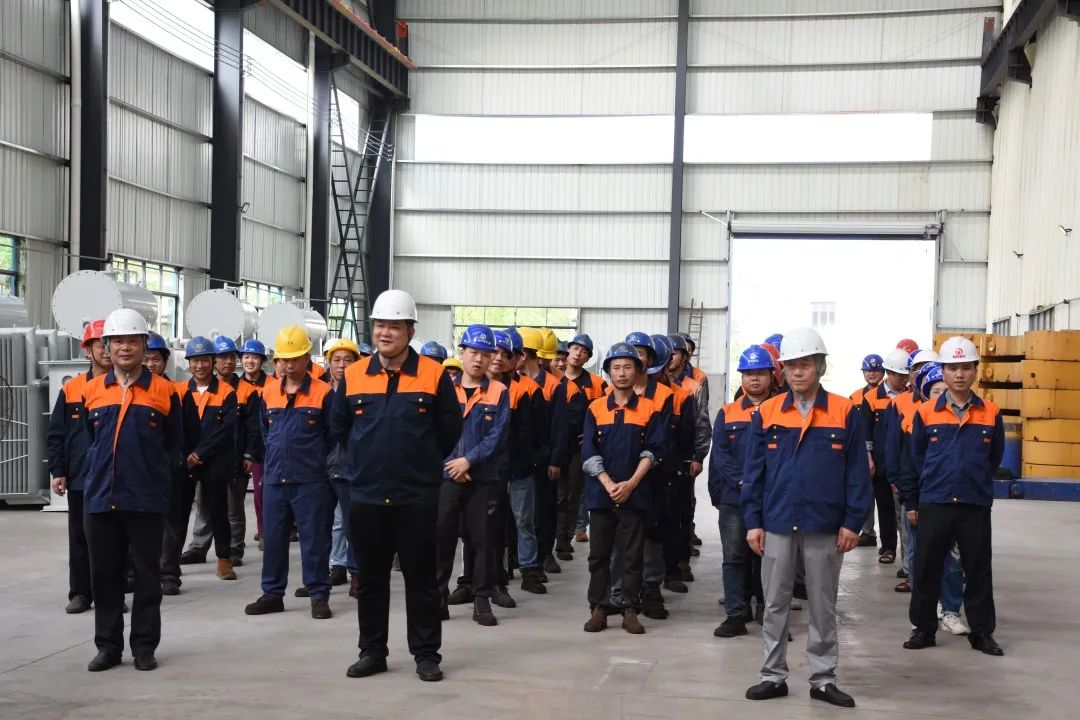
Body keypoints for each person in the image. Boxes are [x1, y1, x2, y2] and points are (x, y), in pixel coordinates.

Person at [330, 289, 462, 683]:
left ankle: (426, 655)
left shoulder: (433, 375)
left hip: (416, 496)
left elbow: (449, 429)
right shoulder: (354, 375)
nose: (385, 333)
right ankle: (372, 652)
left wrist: (420, 463)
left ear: (410, 331)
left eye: (394, 326)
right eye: (380, 325)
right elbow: (339, 427)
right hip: (367, 494)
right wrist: (366, 460)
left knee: (421, 579)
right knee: (371, 580)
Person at [741, 327, 871, 708]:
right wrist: (753, 521)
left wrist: (853, 522)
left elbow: (857, 474)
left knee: (822, 605)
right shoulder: (767, 412)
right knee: (774, 602)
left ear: (820, 367)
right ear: (782, 370)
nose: (798, 372)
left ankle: (823, 679)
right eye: (791, 365)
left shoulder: (845, 411)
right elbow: (754, 472)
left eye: (806, 364)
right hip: (777, 522)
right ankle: (772, 675)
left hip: (825, 524)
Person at [80, 308, 183, 672]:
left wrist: (155, 479)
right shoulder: (91, 391)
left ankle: (144, 646)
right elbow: (88, 443)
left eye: (132, 341)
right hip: (100, 498)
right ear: (107, 347)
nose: (125, 348)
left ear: (143, 345)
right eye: (118, 341)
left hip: (145, 499)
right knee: (104, 576)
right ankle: (108, 647)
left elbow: (175, 445)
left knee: (147, 576)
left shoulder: (165, 391)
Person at [900, 337, 1004, 657]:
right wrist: (913, 500)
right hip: (936, 501)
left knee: (978, 569)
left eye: (965, 368)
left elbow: (994, 458)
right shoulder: (925, 413)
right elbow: (914, 459)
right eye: (952, 368)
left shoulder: (991, 413)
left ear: (975, 371)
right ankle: (923, 628)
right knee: (927, 568)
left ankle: (982, 632)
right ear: (943, 372)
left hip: (973, 503)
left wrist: (974, 482)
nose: (959, 374)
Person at [244, 325, 335, 621]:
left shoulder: (323, 393)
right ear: (277, 361)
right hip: (275, 478)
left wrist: (314, 462)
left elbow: (333, 435)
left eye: (295, 358)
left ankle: (318, 595)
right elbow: (264, 431)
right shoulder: (268, 392)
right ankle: (272, 594)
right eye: (284, 359)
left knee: (314, 540)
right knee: (273, 539)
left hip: (310, 480)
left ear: (307, 357)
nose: (290, 364)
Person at [581, 343, 665, 635]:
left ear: (637, 371)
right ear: (608, 372)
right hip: (601, 495)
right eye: (616, 367)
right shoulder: (595, 408)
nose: (622, 373)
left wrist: (631, 484)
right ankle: (599, 608)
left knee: (632, 555)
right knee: (599, 555)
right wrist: (608, 483)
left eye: (628, 366)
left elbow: (654, 450)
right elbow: (589, 451)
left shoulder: (649, 409)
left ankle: (630, 608)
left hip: (635, 494)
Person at [436, 324, 511, 626]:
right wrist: (453, 464)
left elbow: (497, 436)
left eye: (484, 354)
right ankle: (438, 598)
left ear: (491, 357)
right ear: (462, 352)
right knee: (442, 538)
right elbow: (435, 431)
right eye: (473, 353)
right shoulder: (445, 389)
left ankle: (481, 600)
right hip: (447, 476)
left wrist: (468, 461)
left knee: (483, 540)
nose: (478, 359)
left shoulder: (499, 392)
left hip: (483, 478)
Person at [709, 345, 775, 639]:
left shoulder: (781, 410)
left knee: (769, 557)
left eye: (760, 373)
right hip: (735, 498)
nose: (754, 379)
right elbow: (721, 456)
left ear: (771, 376)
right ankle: (735, 614)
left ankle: (767, 613)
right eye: (748, 374)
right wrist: (743, 482)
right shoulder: (728, 412)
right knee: (734, 556)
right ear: (742, 378)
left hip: (771, 498)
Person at [48, 319, 112, 614]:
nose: (107, 350)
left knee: (114, 540)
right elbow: (57, 433)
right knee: (79, 537)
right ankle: (80, 593)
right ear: (88, 350)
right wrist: (58, 470)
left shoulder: (124, 387)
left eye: (109, 344)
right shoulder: (72, 389)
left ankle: (110, 594)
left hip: (115, 476)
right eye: (100, 345)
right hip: (81, 477)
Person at [171, 336, 239, 585]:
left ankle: (224, 558)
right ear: (188, 363)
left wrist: (199, 454)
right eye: (195, 361)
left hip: (214, 461)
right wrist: (185, 455)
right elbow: (175, 427)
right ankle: (171, 562)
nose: (200, 366)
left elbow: (226, 430)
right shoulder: (179, 390)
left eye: (204, 360)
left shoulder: (227, 392)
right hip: (186, 461)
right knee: (178, 513)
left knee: (218, 511)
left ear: (212, 361)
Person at [519, 327, 570, 577]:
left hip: (543, 458)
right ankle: (519, 556)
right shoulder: (513, 382)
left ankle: (544, 553)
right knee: (520, 511)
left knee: (544, 507)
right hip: (520, 458)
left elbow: (559, 427)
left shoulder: (553, 385)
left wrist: (556, 460)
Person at [556, 334, 607, 559]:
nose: (578, 354)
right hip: (555, 445)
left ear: (588, 358)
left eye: (584, 351)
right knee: (555, 495)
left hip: (578, 448)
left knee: (572, 494)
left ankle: (563, 541)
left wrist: (591, 435)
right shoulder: (554, 380)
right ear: (568, 351)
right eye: (575, 348)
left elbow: (604, 412)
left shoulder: (596, 383)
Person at [859, 347, 911, 560]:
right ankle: (888, 548)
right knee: (885, 506)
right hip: (881, 463)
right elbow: (865, 431)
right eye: (900, 375)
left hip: (904, 462)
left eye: (906, 375)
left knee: (906, 509)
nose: (904, 379)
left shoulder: (911, 396)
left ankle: (908, 553)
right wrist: (869, 458)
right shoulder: (872, 398)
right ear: (889, 373)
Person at [323, 338, 362, 595]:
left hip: (352, 468)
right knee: (323, 524)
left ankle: (357, 573)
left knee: (352, 524)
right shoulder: (321, 394)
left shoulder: (361, 395)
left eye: (348, 360)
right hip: (323, 468)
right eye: (336, 360)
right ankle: (330, 569)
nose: (342, 365)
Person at [239, 339, 270, 551]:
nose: (250, 361)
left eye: (255, 357)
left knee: (262, 492)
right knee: (234, 499)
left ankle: (265, 532)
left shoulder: (272, 385)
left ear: (262, 361)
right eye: (247, 357)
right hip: (240, 447)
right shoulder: (235, 386)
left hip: (264, 446)